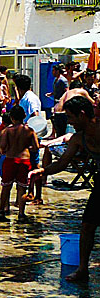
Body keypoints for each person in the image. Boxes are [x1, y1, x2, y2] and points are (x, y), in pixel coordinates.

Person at [29, 96, 99, 281]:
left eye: (70, 117)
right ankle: (83, 270)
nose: (69, 122)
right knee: (87, 226)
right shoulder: (78, 139)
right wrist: (42, 171)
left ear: (82, 115)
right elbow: (62, 163)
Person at [0, 105, 39, 222]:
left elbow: (2, 147)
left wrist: (8, 149)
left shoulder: (7, 131)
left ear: (11, 117)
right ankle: (21, 213)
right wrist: (26, 147)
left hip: (10, 160)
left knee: (6, 187)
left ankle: (1, 211)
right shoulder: (30, 130)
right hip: (24, 160)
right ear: (24, 116)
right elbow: (36, 147)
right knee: (22, 187)